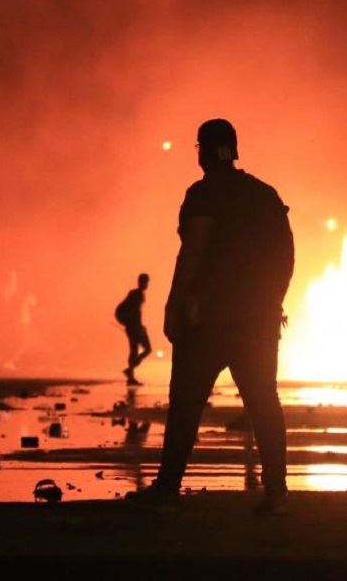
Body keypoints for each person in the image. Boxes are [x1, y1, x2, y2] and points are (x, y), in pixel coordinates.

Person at [135, 119, 294, 514]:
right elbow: (286, 258)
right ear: (234, 150)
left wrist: (175, 304)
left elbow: (193, 252)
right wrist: (273, 302)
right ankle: (277, 493)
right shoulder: (265, 195)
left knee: (186, 404)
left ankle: (167, 489)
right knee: (263, 403)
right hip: (257, 321)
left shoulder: (203, 195)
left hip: (207, 320)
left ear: (204, 151)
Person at [115, 273, 153, 385]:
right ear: (142, 282)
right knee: (146, 349)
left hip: (133, 327)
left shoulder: (136, 294)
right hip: (134, 327)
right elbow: (135, 312)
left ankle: (130, 374)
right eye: (146, 282)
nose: (147, 284)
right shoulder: (138, 295)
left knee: (135, 351)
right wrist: (137, 326)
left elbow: (132, 311)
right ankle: (130, 372)